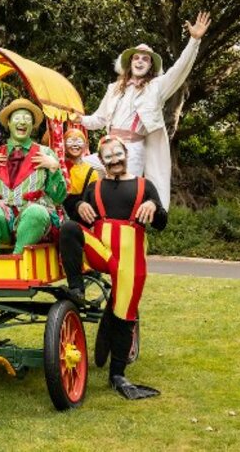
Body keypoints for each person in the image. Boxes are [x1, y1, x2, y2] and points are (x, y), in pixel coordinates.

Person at [58, 136, 167, 400]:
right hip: (102, 251)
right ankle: (77, 288)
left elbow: (162, 222)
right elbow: (69, 205)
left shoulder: (145, 185)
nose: (115, 160)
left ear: (125, 153)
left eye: (118, 154)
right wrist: (80, 204)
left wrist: (153, 206)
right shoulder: (94, 187)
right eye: (109, 157)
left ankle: (117, 374)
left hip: (131, 257)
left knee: (123, 315)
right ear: (102, 160)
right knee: (70, 229)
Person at [81, 12, 211, 208]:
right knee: (83, 168)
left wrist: (194, 40)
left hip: (133, 149)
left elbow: (179, 70)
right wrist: (77, 119)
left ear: (150, 65)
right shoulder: (113, 89)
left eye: (145, 59)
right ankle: (91, 226)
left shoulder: (157, 87)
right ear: (130, 63)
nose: (140, 61)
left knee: (124, 195)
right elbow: (98, 119)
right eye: (136, 58)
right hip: (108, 146)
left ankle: (127, 231)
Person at [0, 99, 67, 256]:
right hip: (4, 218)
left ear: (32, 125)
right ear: (9, 124)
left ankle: (18, 260)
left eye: (27, 118)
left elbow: (58, 198)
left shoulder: (46, 154)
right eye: (17, 118)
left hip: (33, 222)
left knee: (37, 212)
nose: (22, 122)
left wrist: (53, 168)